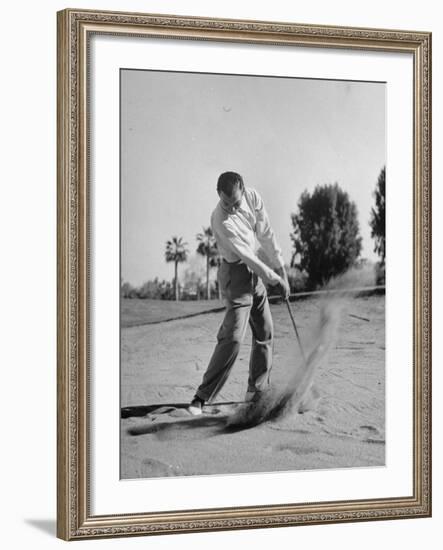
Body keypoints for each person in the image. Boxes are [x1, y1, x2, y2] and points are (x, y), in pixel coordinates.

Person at [188, 171, 290, 415]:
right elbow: (246, 255)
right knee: (233, 337)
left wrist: (282, 269)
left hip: (255, 274)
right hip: (236, 274)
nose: (231, 208)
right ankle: (200, 398)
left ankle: (256, 390)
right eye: (226, 203)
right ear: (218, 195)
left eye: (235, 203)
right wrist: (275, 280)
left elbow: (266, 233)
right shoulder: (220, 220)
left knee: (265, 330)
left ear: (242, 190)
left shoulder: (253, 197)